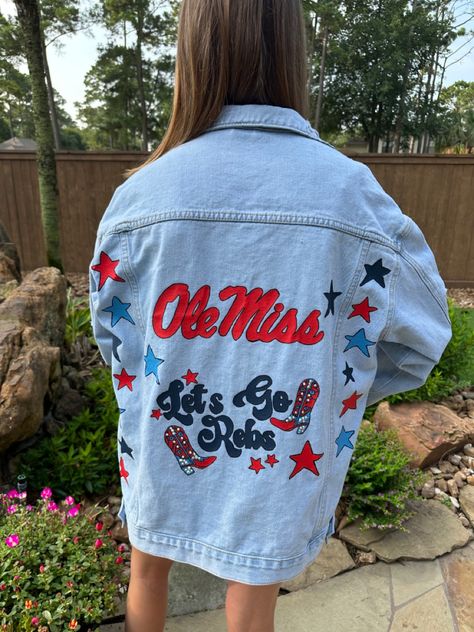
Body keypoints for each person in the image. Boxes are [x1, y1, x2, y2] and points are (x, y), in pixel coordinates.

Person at [88, 1, 453, 631]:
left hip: (161, 442)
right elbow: (423, 337)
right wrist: (338, 391)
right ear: (293, 53)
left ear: (192, 56)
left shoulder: (142, 194)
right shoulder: (352, 193)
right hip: (285, 457)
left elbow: (113, 336)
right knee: (254, 593)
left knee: (146, 571)